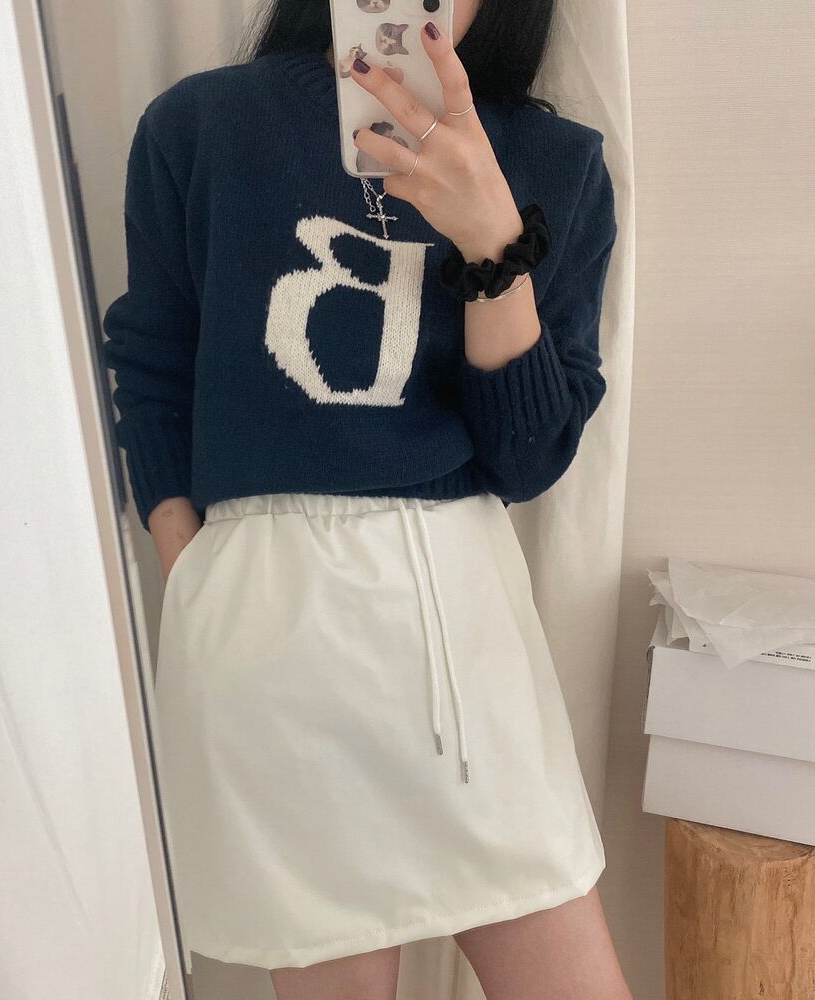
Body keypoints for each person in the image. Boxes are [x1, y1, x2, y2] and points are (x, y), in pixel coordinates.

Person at [102, 1, 633, 997]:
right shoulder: (199, 127)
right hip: (269, 623)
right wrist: (195, 572)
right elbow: (152, 365)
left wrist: (494, 239)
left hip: (462, 624)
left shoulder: (553, 162)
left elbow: (526, 458)